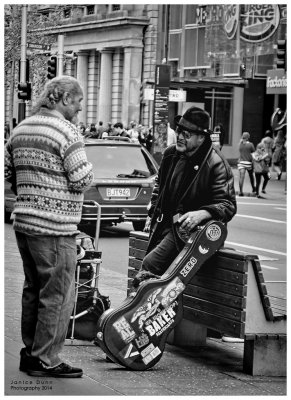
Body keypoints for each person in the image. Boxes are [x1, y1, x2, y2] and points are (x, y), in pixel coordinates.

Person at [4, 75, 94, 378]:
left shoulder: (21, 128)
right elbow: (82, 177)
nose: (79, 110)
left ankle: (31, 352)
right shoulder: (66, 131)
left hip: (25, 222)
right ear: (65, 98)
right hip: (55, 227)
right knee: (57, 295)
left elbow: (7, 170)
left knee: (33, 289)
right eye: (79, 103)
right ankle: (47, 359)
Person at [132, 106, 236, 283]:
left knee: (150, 265)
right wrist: (153, 209)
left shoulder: (216, 163)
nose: (180, 137)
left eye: (187, 134)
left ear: (201, 137)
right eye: (179, 131)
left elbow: (228, 205)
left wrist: (202, 213)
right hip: (164, 224)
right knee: (159, 278)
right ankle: (150, 309)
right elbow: (160, 184)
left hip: (190, 235)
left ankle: (141, 309)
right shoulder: (171, 153)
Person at [237, 132, 256, 196]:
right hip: (248, 162)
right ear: (248, 137)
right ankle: (253, 188)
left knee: (241, 177)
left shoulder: (240, 144)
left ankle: (240, 192)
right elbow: (253, 153)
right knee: (251, 176)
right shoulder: (250, 144)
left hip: (241, 162)